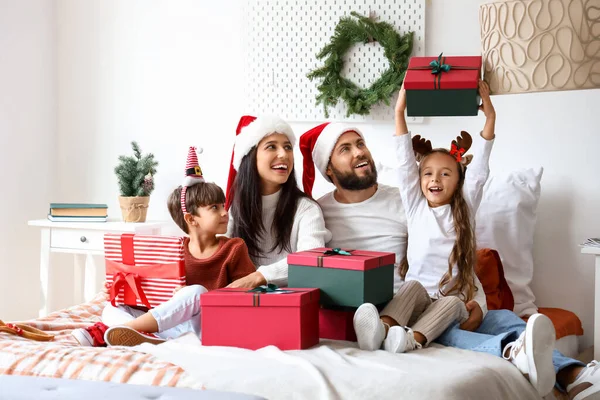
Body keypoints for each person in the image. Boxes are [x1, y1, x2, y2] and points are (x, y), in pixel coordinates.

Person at [72, 147, 255, 347]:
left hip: (208, 324)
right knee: (112, 308)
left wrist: (190, 297)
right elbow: (154, 297)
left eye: (223, 205)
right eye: (214, 208)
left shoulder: (234, 248)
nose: (224, 212)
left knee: (196, 293)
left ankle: (120, 330)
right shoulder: (172, 251)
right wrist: (117, 293)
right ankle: (150, 337)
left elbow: (249, 293)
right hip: (172, 326)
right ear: (191, 219)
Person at [224, 115, 331, 289]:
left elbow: (311, 258)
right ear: (250, 157)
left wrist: (259, 277)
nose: (283, 154)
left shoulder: (306, 209)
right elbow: (216, 255)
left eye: (288, 147)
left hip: (290, 305)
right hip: (241, 304)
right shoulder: (234, 211)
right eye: (271, 146)